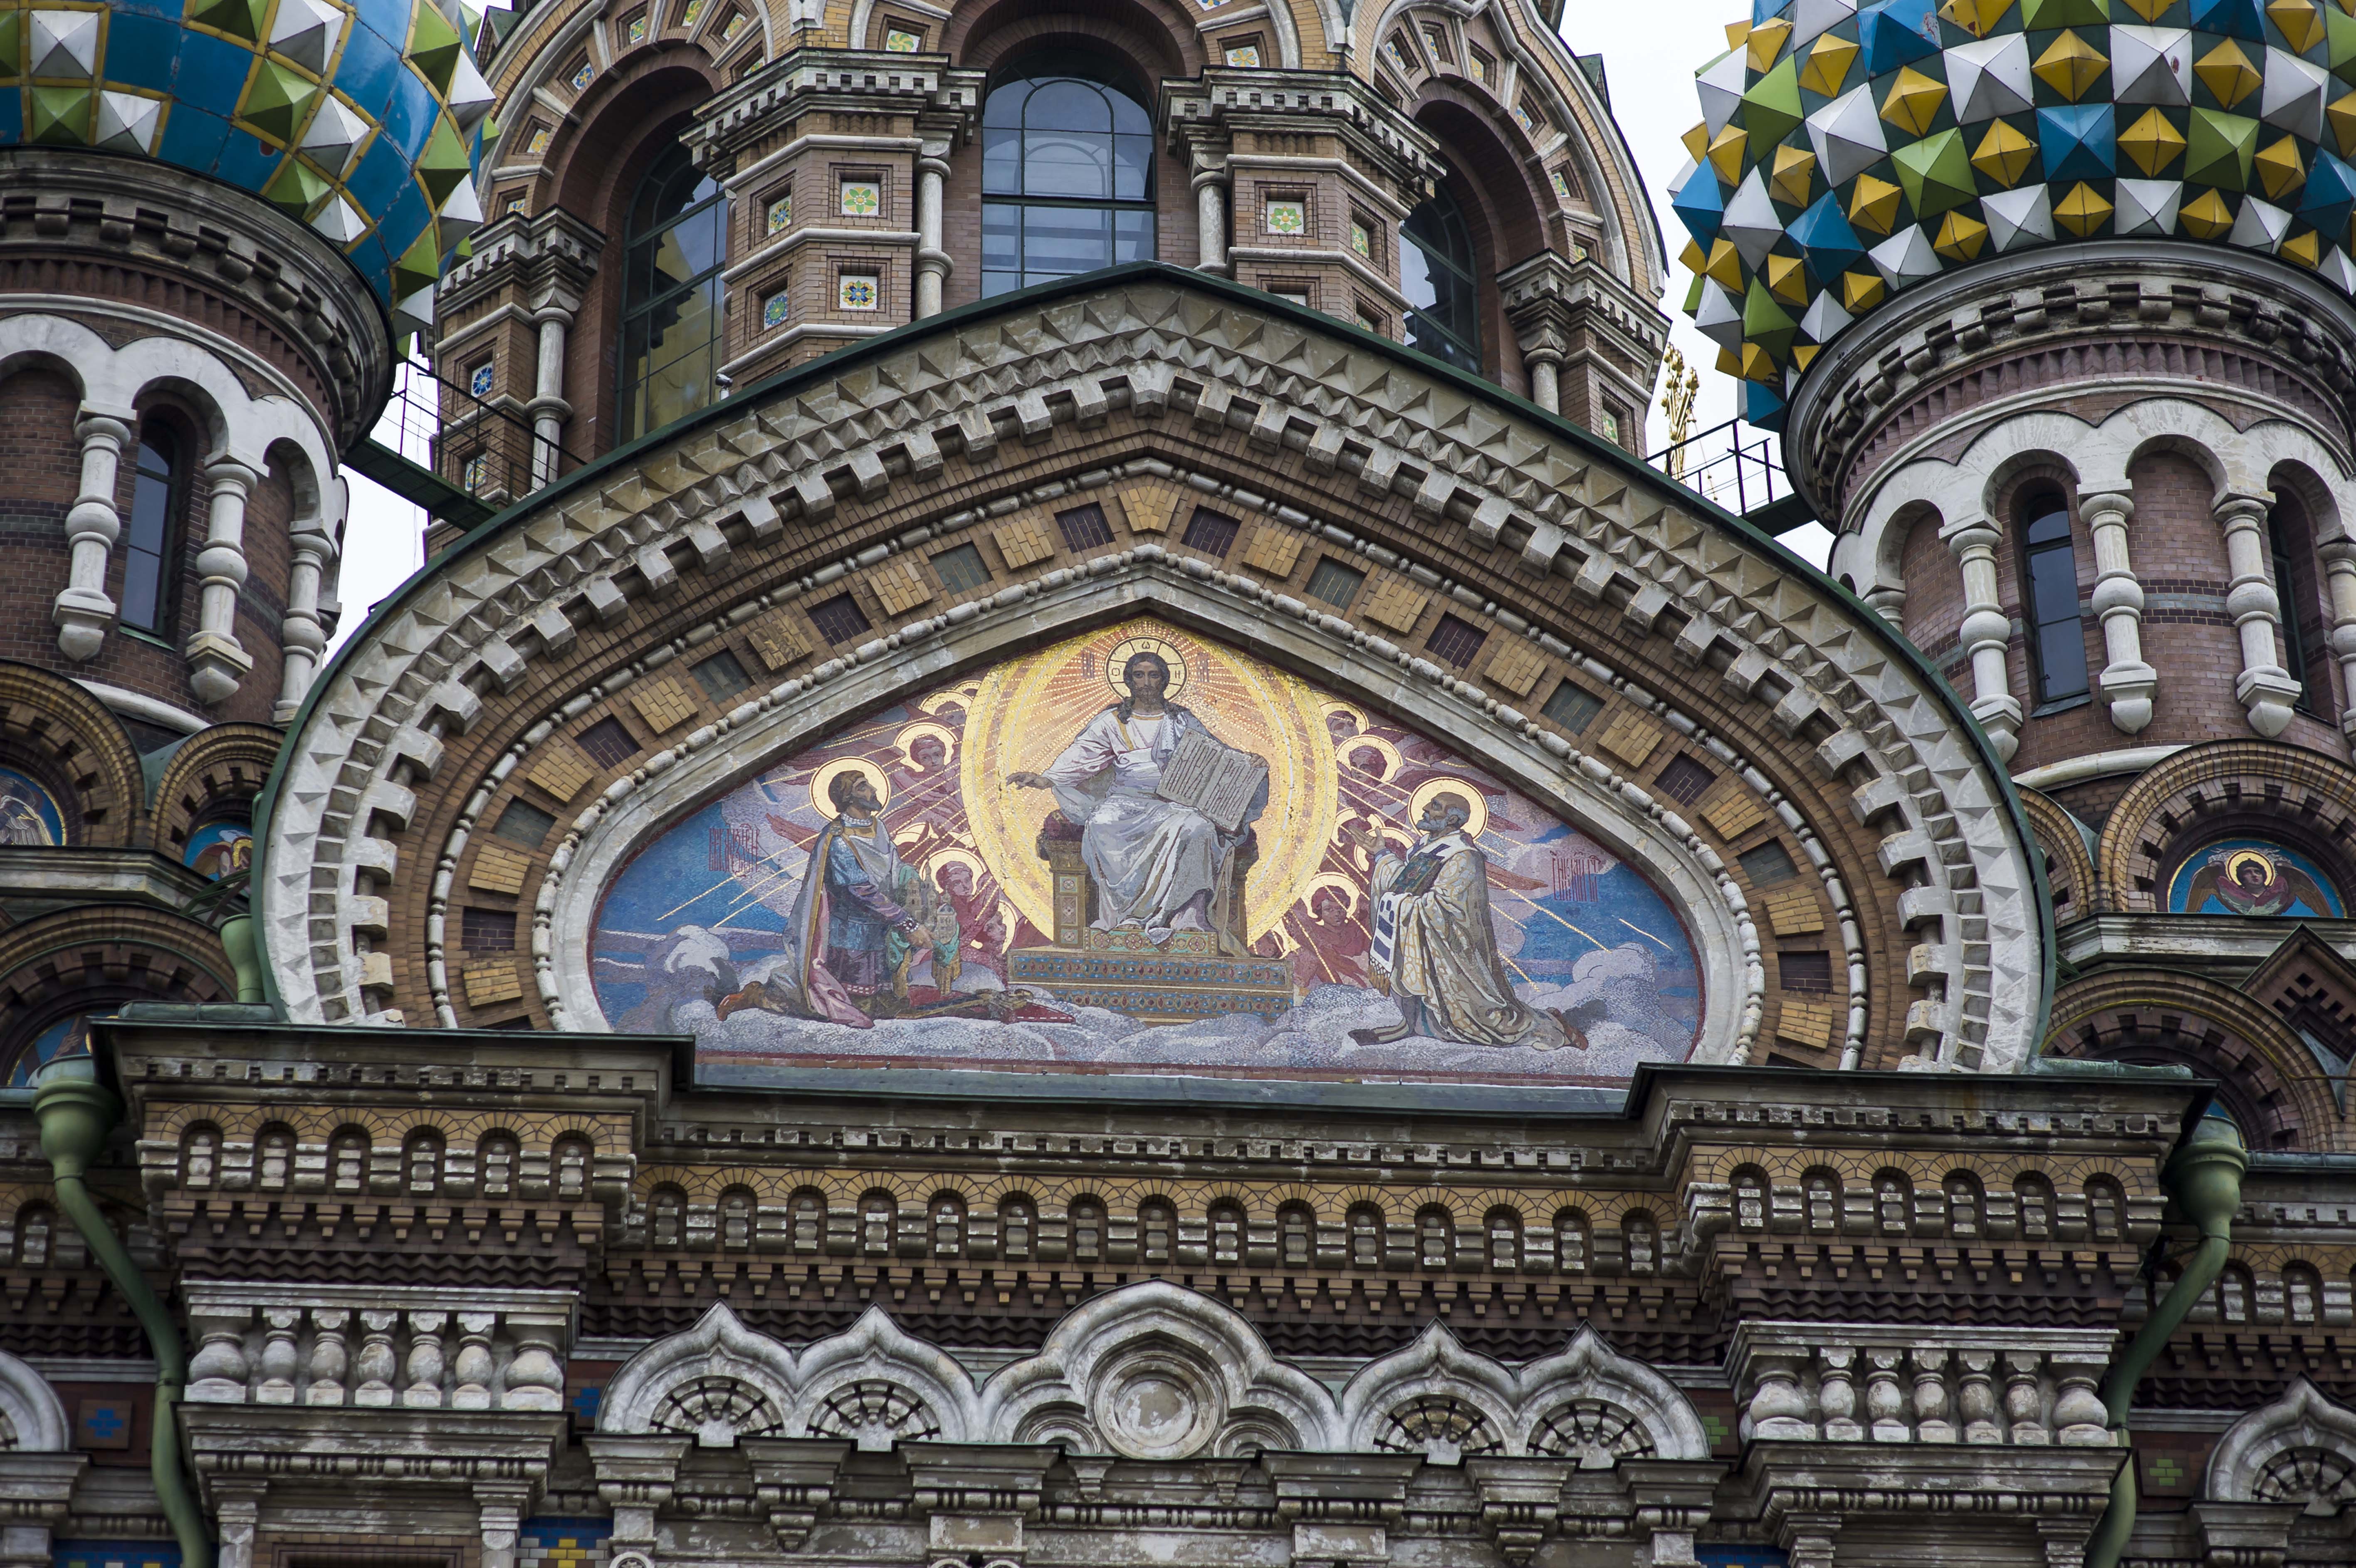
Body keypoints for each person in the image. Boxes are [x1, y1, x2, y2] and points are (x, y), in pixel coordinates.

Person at [1007, 650, 1265, 945]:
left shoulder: (1181, 720)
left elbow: (1215, 756)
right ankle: (1126, 916)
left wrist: (1250, 762)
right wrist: (1044, 779)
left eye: (1153, 675)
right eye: (1139, 676)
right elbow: (1081, 756)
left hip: (1174, 805)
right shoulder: (1113, 721)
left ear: (1164, 680)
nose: (1146, 682)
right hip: (1126, 802)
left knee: (1199, 828)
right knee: (1102, 823)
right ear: (1129, 681)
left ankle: (1189, 917)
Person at [717, 770, 950, 1026]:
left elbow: (894, 870)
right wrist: (907, 923)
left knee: (882, 1000)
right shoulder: (839, 840)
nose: (873, 790)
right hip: (850, 934)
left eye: (869, 784)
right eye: (863, 787)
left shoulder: (878, 828)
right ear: (848, 798)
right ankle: (760, 996)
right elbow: (860, 890)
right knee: (842, 1005)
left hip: (881, 927)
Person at [1342, 791, 1570, 1050]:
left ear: (1452, 819)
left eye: (1435, 806)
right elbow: (1404, 885)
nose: (1425, 809)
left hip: (1453, 952)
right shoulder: (1425, 848)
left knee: (1483, 1019)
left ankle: (1539, 1027)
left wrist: (1401, 904)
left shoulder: (1464, 856)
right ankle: (1416, 1023)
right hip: (1428, 942)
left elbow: (1446, 908)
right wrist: (1381, 854)